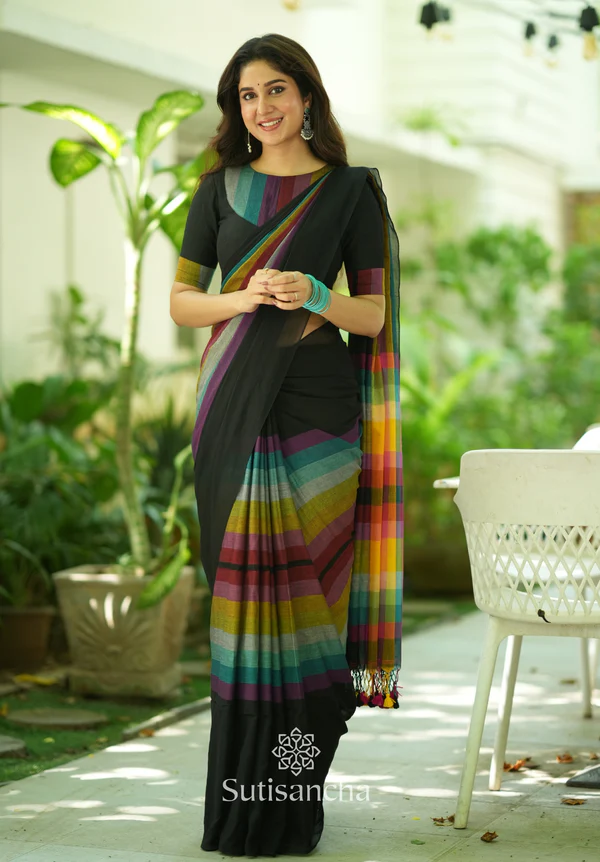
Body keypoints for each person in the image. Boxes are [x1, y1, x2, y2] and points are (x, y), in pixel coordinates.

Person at [170, 33, 402, 858]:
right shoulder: (216, 190)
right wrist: (242, 300)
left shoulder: (350, 192)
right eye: (247, 95)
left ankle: (292, 798)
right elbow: (182, 302)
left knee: (316, 597)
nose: (262, 107)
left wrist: (313, 294)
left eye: (276, 90)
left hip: (318, 405)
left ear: (306, 97)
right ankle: (242, 805)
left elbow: (373, 315)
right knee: (242, 601)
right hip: (233, 403)